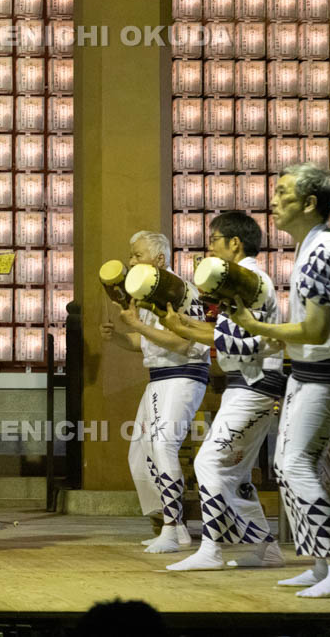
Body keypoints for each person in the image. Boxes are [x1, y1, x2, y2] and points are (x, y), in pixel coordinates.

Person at [230, 163, 330, 598]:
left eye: (283, 193)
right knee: (292, 465)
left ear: (310, 202)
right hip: (308, 371)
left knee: (296, 463)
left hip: (327, 373)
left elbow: (317, 331)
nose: (274, 201)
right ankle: (321, 564)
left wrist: (256, 328)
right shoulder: (312, 247)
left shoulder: (322, 251)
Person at [158, 212, 286, 571]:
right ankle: (266, 549)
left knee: (208, 462)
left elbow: (240, 344)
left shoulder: (253, 281)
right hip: (246, 384)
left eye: (214, 240)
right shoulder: (242, 283)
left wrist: (183, 329)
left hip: (254, 384)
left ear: (234, 243)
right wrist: (181, 323)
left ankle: (212, 550)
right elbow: (224, 334)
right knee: (235, 473)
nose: (210, 247)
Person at [100, 231, 210, 553]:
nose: (130, 261)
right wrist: (119, 336)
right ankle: (173, 527)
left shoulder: (178, 290)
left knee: (163, 446)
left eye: (136, 255)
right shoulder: (147, 293)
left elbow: (181, 342)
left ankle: (172, 529)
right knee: (141, 454)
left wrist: (136, 325)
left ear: (159, 259)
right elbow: (145, 342)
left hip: (183, 375)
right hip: (160, 377)